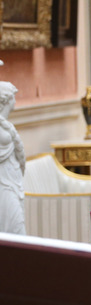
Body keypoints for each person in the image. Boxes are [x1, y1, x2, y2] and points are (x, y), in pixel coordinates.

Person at [0, 82, 25, 235]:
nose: (15, 101)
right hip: (4, 184)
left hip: (13, 181)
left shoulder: (6, 126)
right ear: (7, 100)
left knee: (17, 227)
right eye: (13, 97)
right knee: (15, 227)